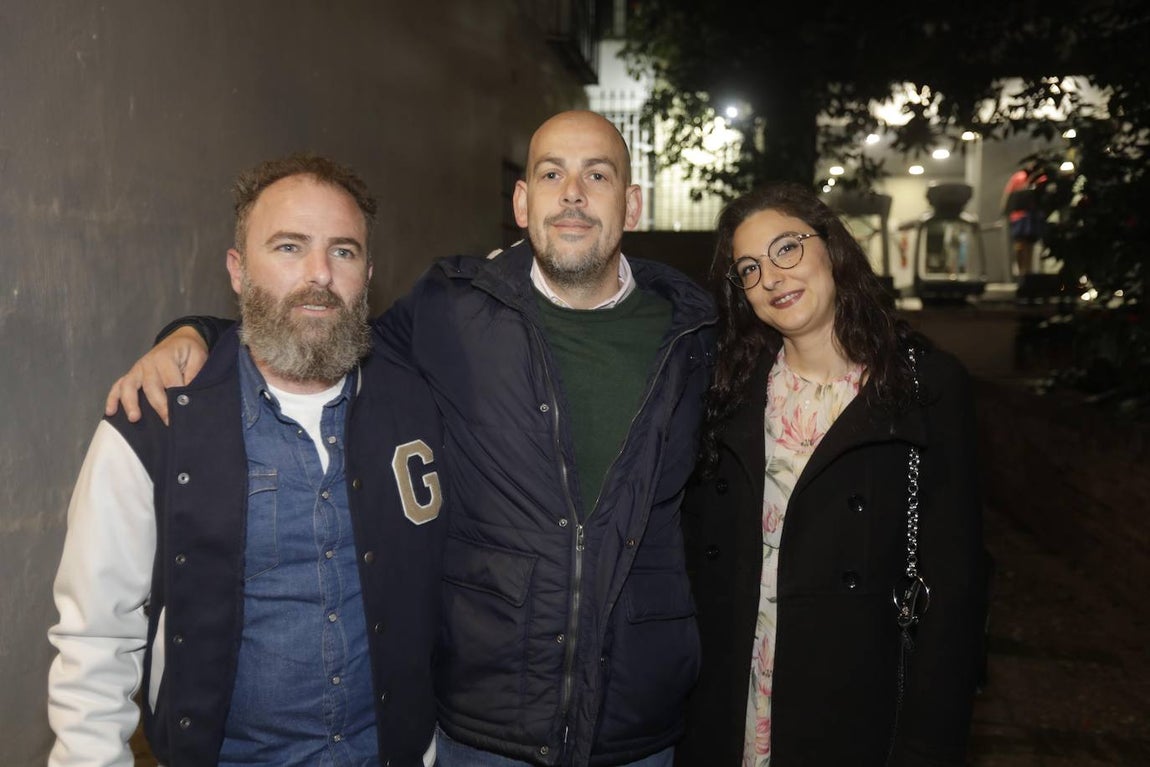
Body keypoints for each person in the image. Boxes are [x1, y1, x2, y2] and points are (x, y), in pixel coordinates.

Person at [104, 111, 716, 766]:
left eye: (597, 174)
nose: (571, 192)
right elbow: (317, 334)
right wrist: (195, 332)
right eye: (550, 173)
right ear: (520, 200)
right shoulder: (451, 308)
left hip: (636, 725)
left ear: (631, 202)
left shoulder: (692, 335)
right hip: (485, 727)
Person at [49, 155, 445, 767]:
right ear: (238, 271)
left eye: (342, 252)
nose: (319, 274)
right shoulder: (155, 423)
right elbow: (96, 640)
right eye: (289, 247)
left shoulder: (417, 403)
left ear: (367, 274)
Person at [675, 183, 986, 766]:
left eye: (787, 249)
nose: (771, 277)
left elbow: (957, 585)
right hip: (730, 698)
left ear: (831, 248)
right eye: (749, 268)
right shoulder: (728, 390)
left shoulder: (924, 386)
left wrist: (926, 743)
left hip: (853, 705)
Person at [1001, 162, 1048, 278]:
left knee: (1030, 244)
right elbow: (1008, 195)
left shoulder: (1041, 178)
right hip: (1019, 216)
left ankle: (1028, 272)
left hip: (1033, 216)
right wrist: (1004, 210)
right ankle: (1022, 272)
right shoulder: (1019, 177)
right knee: (1020, 244)